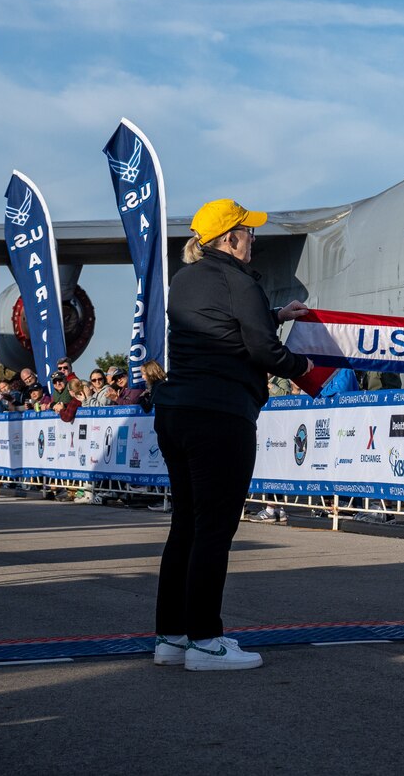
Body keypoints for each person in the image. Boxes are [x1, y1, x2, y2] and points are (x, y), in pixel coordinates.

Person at [150, 197, 321, 672]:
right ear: (231, 239)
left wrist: (277, 313)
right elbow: (264, 351)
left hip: (176, 411)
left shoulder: (185, 278)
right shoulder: (238, 279)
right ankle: (206, 640)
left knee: (185, 525)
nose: (254, 240)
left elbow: (224, 324)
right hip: (220, 415)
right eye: (249, 232)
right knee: (214, 528)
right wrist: (305, 366)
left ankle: (171, 635)